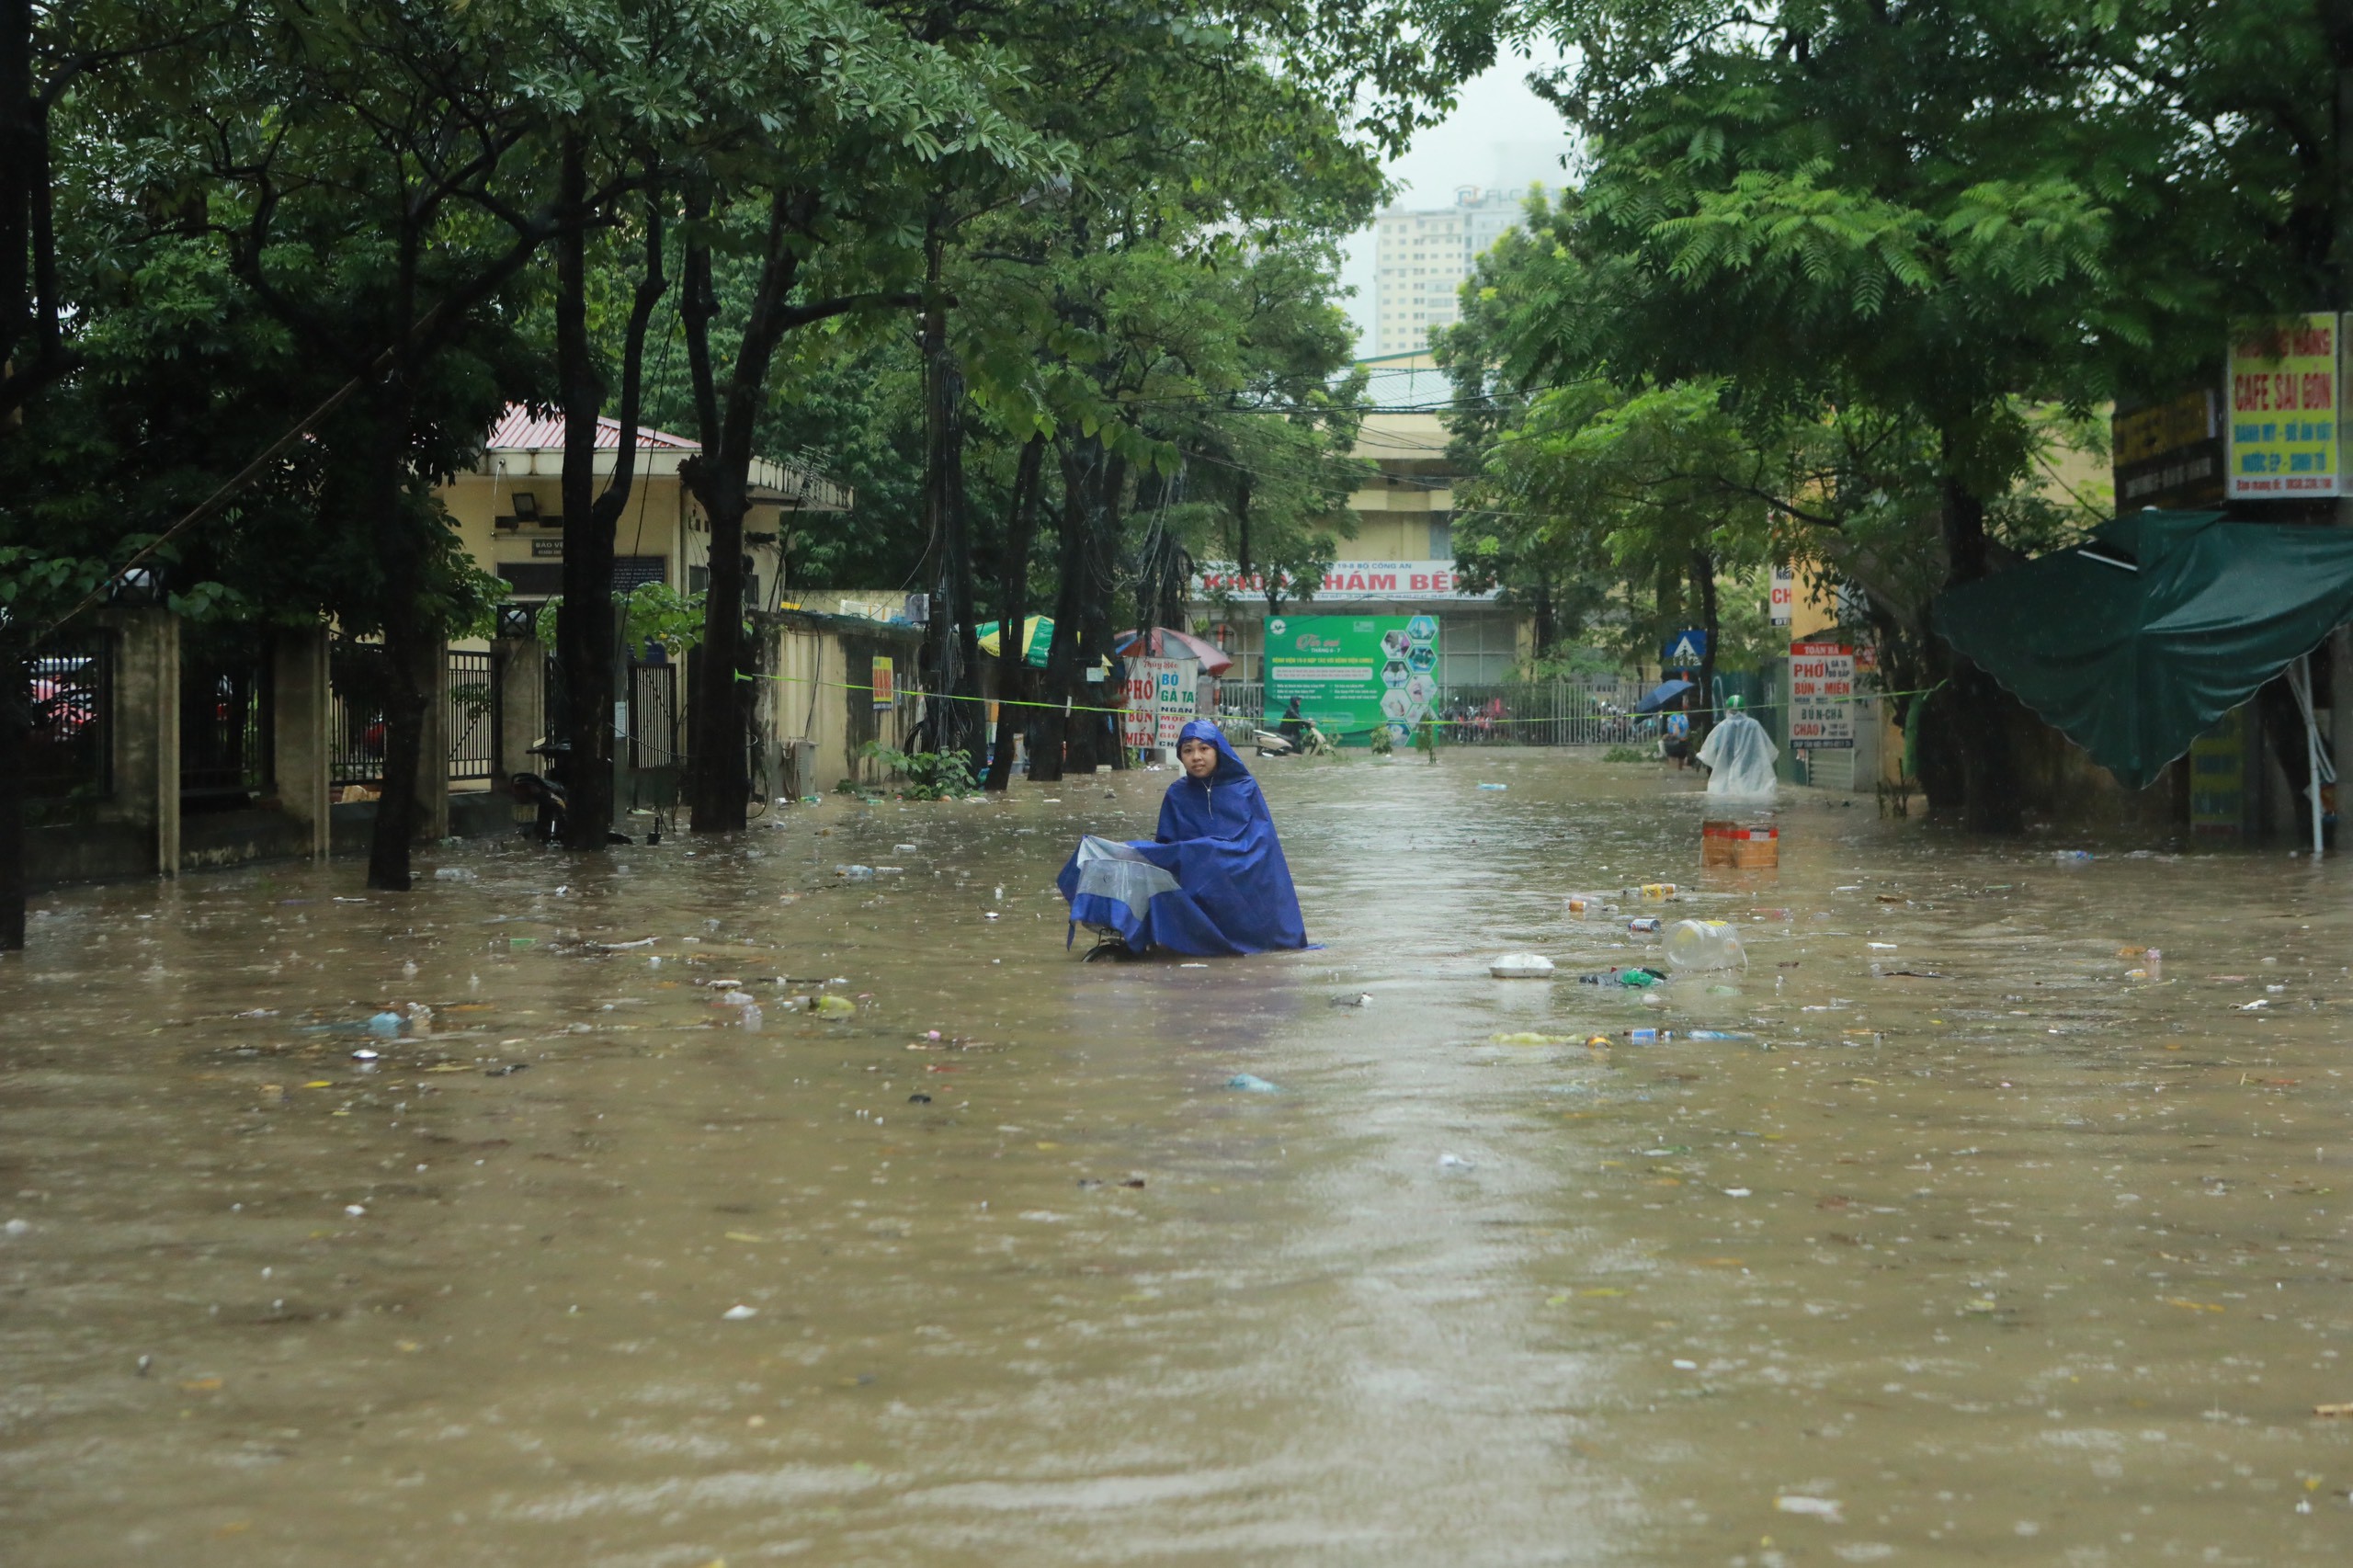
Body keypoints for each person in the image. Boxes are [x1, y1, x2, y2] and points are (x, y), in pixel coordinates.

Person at [1057, 719, 1307, 959]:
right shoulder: (1177, 793)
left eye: (1204, 748)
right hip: (1194, 875)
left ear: (1218, 751)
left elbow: (1260, 844)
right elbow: (1167, 846)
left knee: (1207, 854)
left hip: (1239, 877)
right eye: (1188, 750)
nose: (1196, 757)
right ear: (1180, 756)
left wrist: (1209, 851)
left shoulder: (1245, 788)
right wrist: (1192, 854)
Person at [1697, 695, 1778, 797]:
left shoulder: (1722, 727)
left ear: (1727, 710)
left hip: (1726, 769)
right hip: (1750, 769)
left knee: (1727, 794)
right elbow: (1765, 749)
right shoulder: (1754, 725)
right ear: (1745, 709)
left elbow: (1710, 750)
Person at [1662, 702, 1692, 768]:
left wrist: (1667, 736)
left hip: (1674, 743)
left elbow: (1676, 732)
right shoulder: (1685, 717)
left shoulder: (1671, 718)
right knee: (1680, 767)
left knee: (1673, 768)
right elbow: (1687, 731)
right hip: (1684, 742)